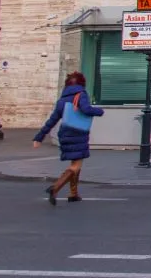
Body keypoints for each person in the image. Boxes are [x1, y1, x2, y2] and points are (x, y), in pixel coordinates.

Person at [33, 72, 105, 205]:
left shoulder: (61, 100)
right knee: (76, 165)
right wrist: (99, 111)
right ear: (81, 83)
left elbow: (52, 120)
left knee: (75, 164)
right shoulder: (81, 95)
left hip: (65, 134)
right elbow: (86, 110)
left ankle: (73, 194)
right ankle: (55, 188)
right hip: (78, 133)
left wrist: (39, 137)